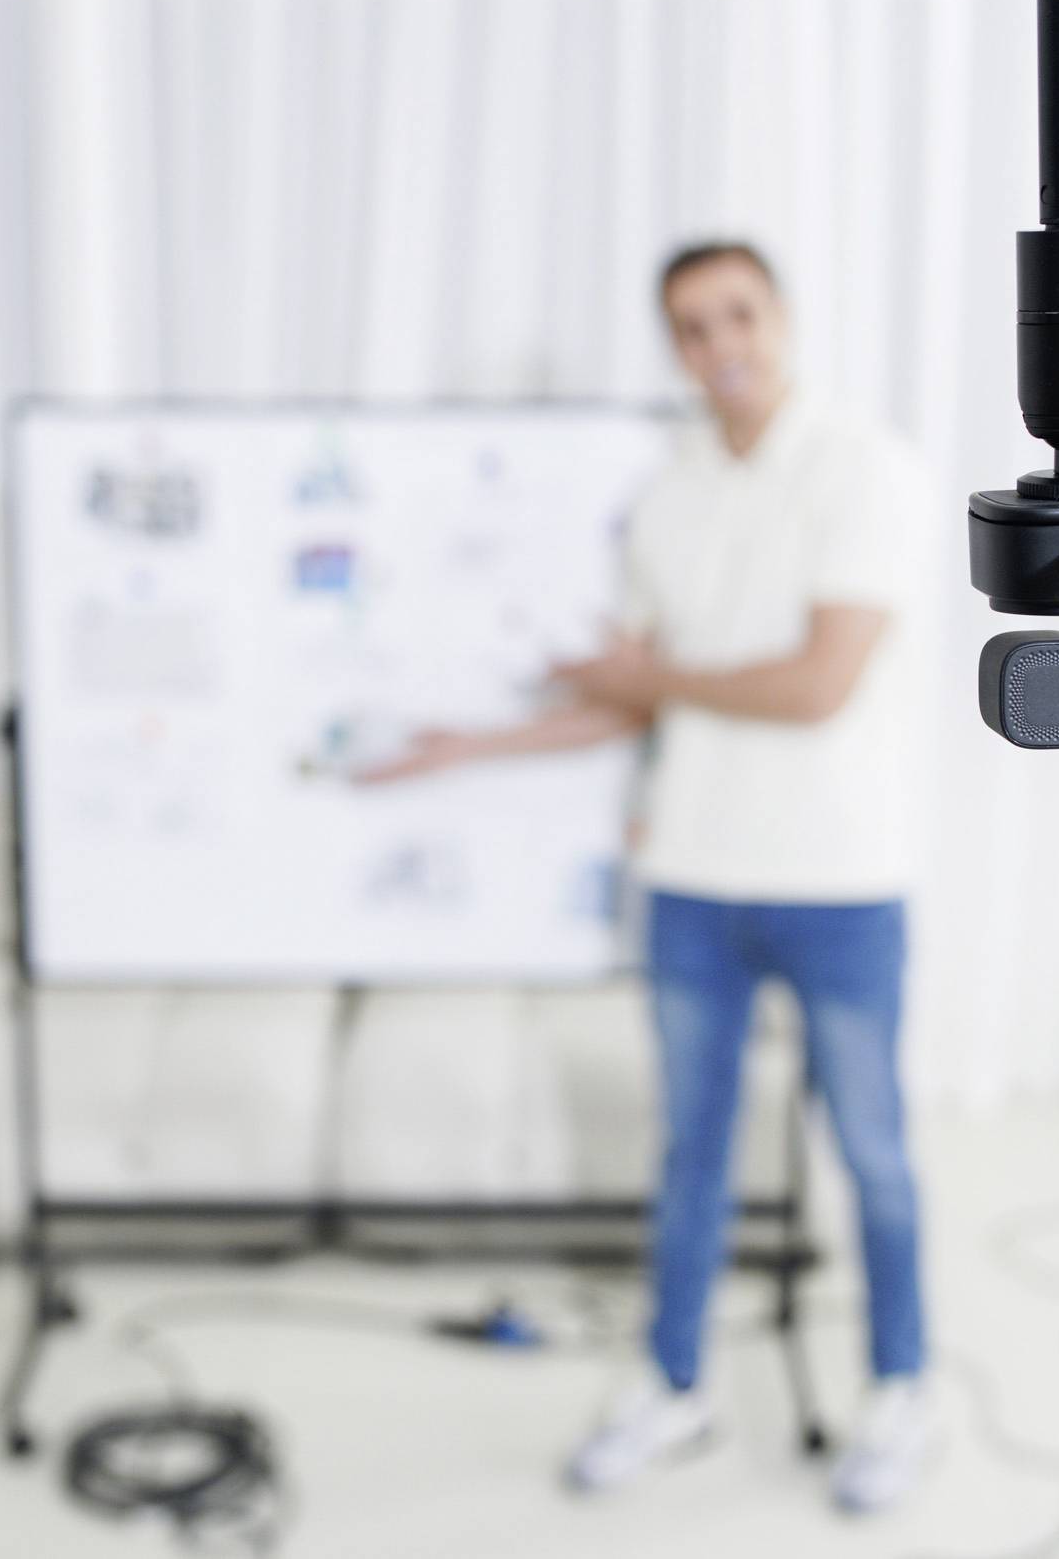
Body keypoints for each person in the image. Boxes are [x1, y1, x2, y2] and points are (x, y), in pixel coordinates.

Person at [359, 241, 933, 1515]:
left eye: (737, 312)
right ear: (670, 346)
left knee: (872, 1151)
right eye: (689, 325)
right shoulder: (662, 495)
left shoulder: (865, 469)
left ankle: (900, 1391)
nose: (717, 341)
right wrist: (466, 746)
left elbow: (816, 684)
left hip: (839, 879)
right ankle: (673, 1385)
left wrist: (648, 680)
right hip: (689, 878)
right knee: (689, 1154)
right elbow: (623, 702)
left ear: (779, 317)